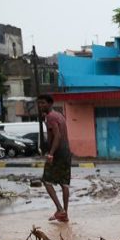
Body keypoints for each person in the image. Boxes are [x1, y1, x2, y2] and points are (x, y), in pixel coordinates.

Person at [38, 94, 71, 223]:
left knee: (46, 180)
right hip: (66, 152)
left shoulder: (51, 117)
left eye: (43, 103)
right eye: (39, 103)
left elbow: (57, 136)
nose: (41, 106)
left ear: (50, 104)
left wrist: (51, 153)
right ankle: (65, 215)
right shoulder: (59, 115)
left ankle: (59, 209)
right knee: (64, 183)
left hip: (57, 153)